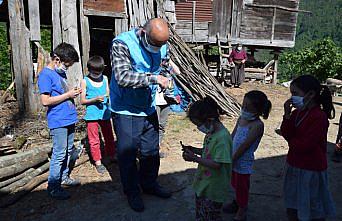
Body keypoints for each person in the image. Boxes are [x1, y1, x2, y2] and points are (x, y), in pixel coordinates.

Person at [110, 18, 172, 212]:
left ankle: (149, 184)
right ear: (143, 32)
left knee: (150, 150)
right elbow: (122, 77)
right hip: (126, 109)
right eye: (154, 44)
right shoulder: (121, 44)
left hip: (148, 106)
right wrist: (154, 78)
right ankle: (132, 191)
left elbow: (164, 66)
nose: (158, 48)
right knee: (128, 155)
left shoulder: (163, 45)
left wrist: (167, 84)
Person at [280, 75, 336, 221]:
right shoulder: (297, 113)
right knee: (292, 205)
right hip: (294, 164)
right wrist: (286, 115)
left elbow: (305, 145)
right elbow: (287, 132)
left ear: (310, 94)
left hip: (310, 169)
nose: (292, 98)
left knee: (311, 206)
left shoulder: (319, 117)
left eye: (295, 94)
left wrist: (291, 140)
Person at [38, 43, 81, 200]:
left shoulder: (60, 74)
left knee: (68, 150)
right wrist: (68, 95)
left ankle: (63, 177)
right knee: (59, 153)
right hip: (58, 121)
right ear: (57, 59)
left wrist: (73, 93)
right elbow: (45, 101)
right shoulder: (45, 75)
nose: (67, 68)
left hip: (68, 118)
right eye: (66, 65)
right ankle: (53, 187)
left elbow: (63, 94)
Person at [223, 90, 272, 221]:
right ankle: (237, 202)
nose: (243, 109)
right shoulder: (241, 119)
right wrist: (226, 151)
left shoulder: (257, 125)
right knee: (234, 183)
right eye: (242, 106)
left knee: (242, 186)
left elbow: (245, 146)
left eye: (247, 107)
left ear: (257, 110)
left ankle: (242, 210)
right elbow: (232, 136)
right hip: (232, 157)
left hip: (243, 161)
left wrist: (232, 159)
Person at [182, 97, 232, 221]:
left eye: (199, 124)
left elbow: (217, 164)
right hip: (204, 183)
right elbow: (208, 152)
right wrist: (194, 149)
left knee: (211, 216)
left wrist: (194, 158)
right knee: (202, 214)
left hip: (214, 188)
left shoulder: (223, 138)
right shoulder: (212, 133)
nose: (199, 128)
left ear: (209, 120)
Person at [80, 56, 116, 175]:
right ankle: (98, 162)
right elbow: (83, 100)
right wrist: (95, 99)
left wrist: (107, 98)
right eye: (94, 72)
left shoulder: (105, 78)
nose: (97, 75)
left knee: (109, 136)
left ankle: (111, 155)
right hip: (92, 115)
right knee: (94, 140)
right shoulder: (85, 81)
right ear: (89, 70)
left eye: (99, 72)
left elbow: (107, 92)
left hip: (105, 113)